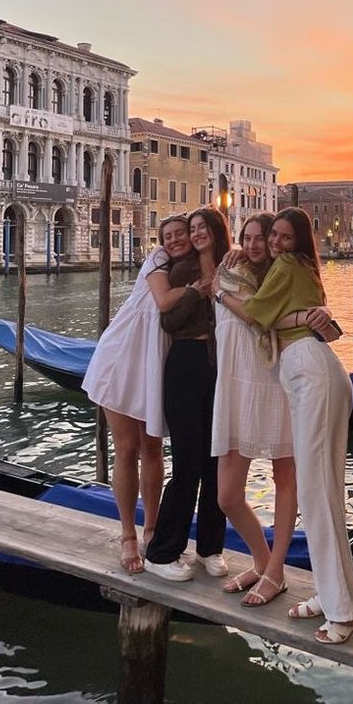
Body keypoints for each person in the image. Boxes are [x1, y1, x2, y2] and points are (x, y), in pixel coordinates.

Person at [214, 207, 353, 644]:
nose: (279, 244)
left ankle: (342, 611)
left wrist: (220, 294)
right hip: (318, 372)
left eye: (285, 237)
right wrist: (304, 318)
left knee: (317, 492)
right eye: (276, 237)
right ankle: (331, 592)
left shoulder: (285, 264)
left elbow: (257, 316)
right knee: (324, 490)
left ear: (297, 241)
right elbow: (311, 322)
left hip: (310, 373)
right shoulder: (305, 268)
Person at [82, 213, 192, 573]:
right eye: (169, 235)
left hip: (157, 361)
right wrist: (201, 286)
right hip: (125, 355)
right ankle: (129, 535)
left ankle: (153, 530)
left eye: (181, 234)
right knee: (127, 448)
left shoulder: (193, 264)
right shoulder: (159, 260)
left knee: (154, 447)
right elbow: (162, 302)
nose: (174, 240)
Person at [212, 213, 297, 607]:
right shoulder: (231, 270)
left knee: (284, 479)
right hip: (234, 388)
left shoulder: (284, 276)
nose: (252, 244)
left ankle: (276, 571)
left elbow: (262, 316)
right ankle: (262, 562)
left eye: (259, 237)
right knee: (227, 496)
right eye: (246, 237)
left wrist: (218, 294)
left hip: (276, 384)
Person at [145, 207, 231, 581]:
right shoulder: (183, 272)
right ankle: (162, 552)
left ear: (215, 230)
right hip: (185, 364)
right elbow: (169, 320)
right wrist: (196, 295)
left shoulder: (231, 267)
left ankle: (211, 548)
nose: (194, 235)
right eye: (190, 229)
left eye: (199, 228)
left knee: (217, 461)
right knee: (186, 465)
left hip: (221, 369)